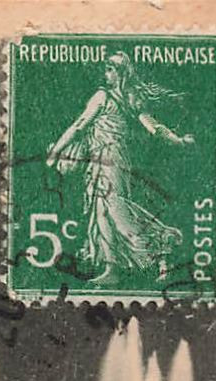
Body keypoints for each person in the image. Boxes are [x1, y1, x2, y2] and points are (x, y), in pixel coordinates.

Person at [46, 53, 195, 286]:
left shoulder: (105, 96)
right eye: (105, 69)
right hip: (100, 160)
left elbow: (79, 126)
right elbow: (153, 127)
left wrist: (55, 151)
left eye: (110, 69)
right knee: (101, 212)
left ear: (121, 72)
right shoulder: (126, 97)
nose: (106, 74)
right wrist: (179, 140)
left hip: (111, 158)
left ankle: (163, 247)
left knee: (116, 210)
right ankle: (111, 268)